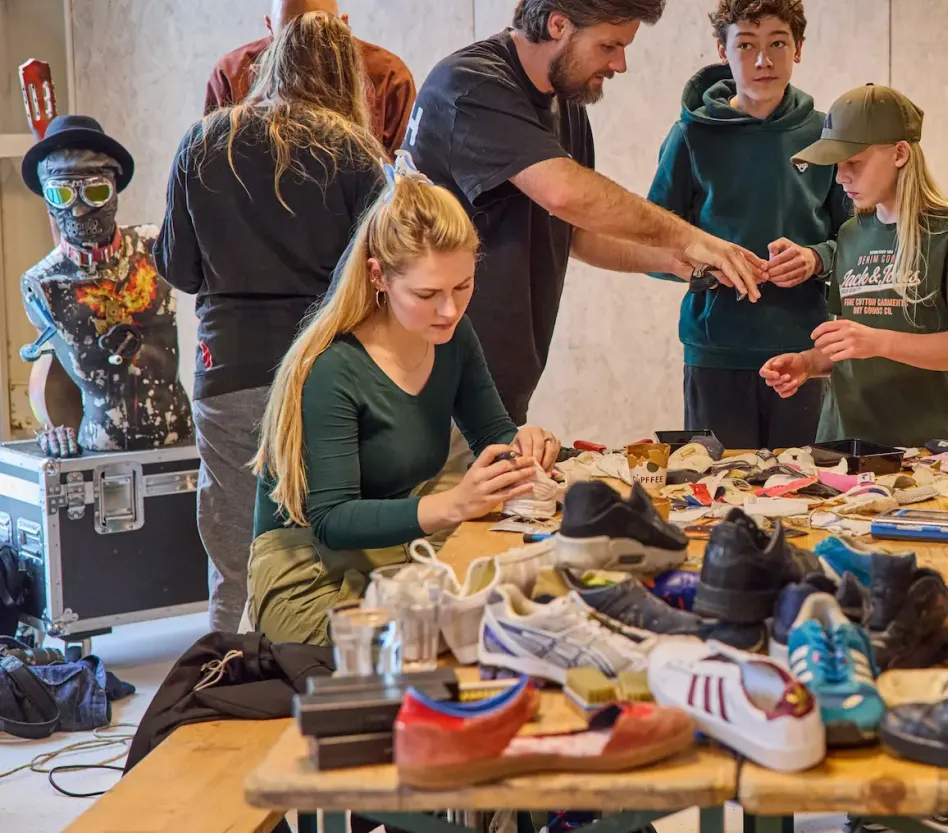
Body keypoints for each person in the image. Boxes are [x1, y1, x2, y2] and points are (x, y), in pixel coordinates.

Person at [406, 0, 767, 429]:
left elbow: (576, 232)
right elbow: (566, 194)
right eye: (609, 46)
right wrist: (689, 237)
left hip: (493, 391)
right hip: (430, 387)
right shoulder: (472, 85)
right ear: (559, 25)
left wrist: (677, 260)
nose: (620, 64)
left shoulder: (565, 102)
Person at [247, 154, 561, 646]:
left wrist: (524, 447)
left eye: (463, 285)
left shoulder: (452, 336)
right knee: (454, 642)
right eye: (427, 294)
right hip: (310, 576)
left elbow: (493, 435)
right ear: (378, 276)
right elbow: (332, 521)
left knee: (527, 607)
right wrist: (455, 504)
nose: (450, 309)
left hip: (391, 551)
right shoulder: (332, 369)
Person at [159, 11, 386, 635]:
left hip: (226, 370)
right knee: (324, 550)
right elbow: (381, 277)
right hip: (324, 374)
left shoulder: (203, 141)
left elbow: (178, 269)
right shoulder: (356, 151)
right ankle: (314, 676)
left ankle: (225, 675)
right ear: (347, 76)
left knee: (235, 550)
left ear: (272, 61)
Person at [645, 0, 850, 450]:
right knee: (719, 485)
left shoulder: (826, 138)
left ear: (798, 49)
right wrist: (707, 268)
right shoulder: (690, 137)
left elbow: (858, 243)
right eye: (746, 45)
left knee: (807, 484)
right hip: (716, 354)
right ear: (723, 51)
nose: (763, 61)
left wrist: (817, 258)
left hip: (805, 353)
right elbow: (648, 246)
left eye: (777, 43)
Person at [760, 84, 948, 449]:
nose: (841, 177)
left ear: (900, 153)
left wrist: (877, 341)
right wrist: (807, 363)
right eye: (838, 165)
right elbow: (848, 348)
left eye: (853, 162)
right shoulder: (850, 234)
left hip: (919, 448)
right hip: (840, 444)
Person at [205, 0, 415, 154]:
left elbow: (402, 183)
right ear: (270, 29)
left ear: (343, 26)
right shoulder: (232, 75)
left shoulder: (388, 78)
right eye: (288, 39)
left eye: (319, 35)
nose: (304, 53)